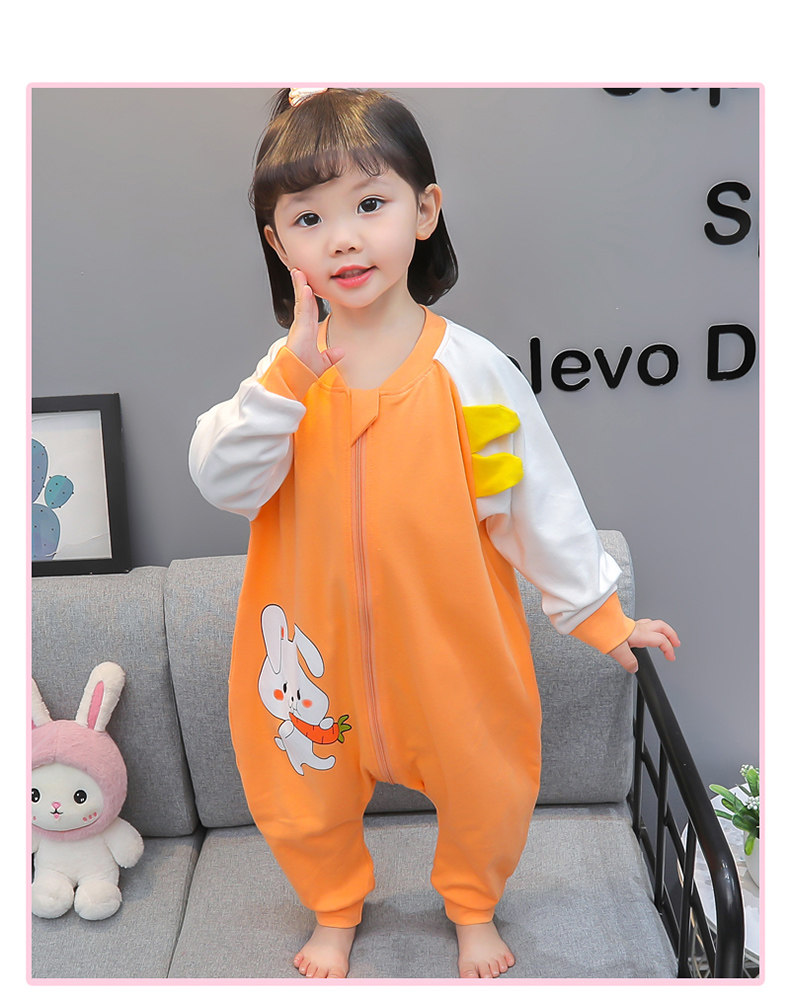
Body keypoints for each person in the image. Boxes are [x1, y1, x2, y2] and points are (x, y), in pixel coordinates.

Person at [188, 87, 680, 980]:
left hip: (453, 649)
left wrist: (600, 615)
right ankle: (334, 908)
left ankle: (473, 906)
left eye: (370, 205)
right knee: (300, 792)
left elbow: (536, 499)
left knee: (487, 779)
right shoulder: (284, 379)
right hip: (311, 656)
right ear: (280, 245)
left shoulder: (471, 369)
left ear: (425, 211)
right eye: (308, 219)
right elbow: (224, 480)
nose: (343, 239)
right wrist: (290, 379)